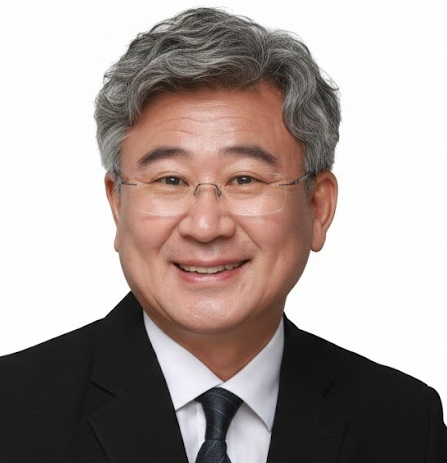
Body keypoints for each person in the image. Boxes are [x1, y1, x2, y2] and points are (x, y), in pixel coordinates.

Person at [0, 7, 446, 462]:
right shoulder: (11, 412)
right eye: (170, 180)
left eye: (245, 179)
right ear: (118, 204)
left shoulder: (407, 425)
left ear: (318, 207)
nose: (206, 226)